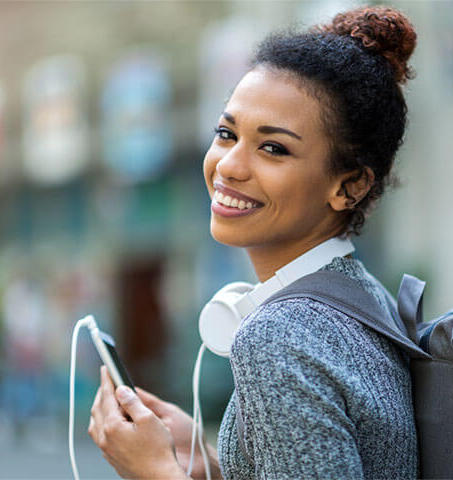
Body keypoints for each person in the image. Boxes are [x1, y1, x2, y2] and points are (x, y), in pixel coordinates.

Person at [88, 5, 418, 479]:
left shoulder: (278, 335)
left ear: (350, 187)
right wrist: (210, 466)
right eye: (226, 133)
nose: (228, 166)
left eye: (273, 148)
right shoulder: (366, 298)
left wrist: (157, 473)